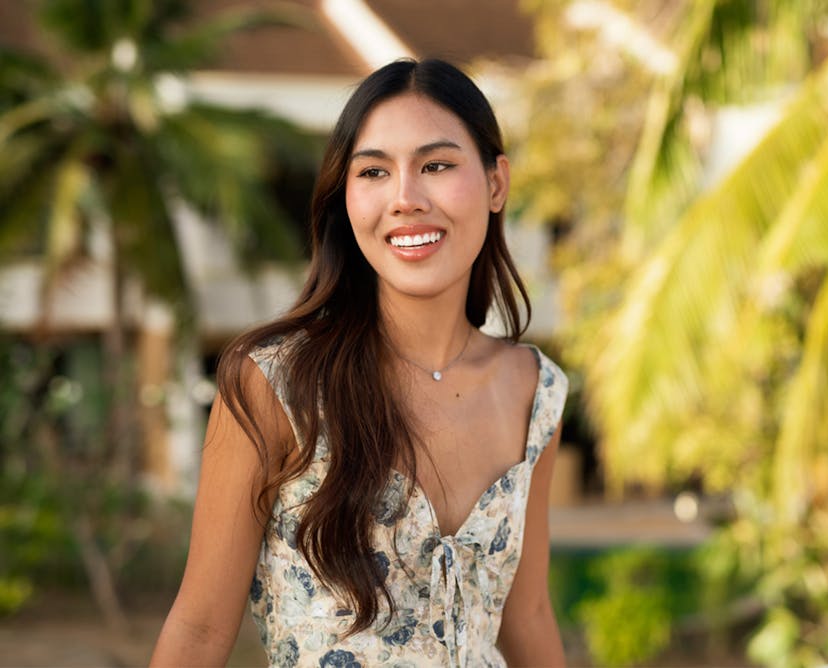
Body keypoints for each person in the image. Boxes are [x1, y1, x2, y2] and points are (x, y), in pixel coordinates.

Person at [150, 58, 568, 668]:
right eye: (374, 171)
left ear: (496, 183)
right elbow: (200, 630)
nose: (405, 198)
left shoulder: (537, 392)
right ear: (346, 198)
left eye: (437, 165)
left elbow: (527, 617)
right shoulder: (276, 383)